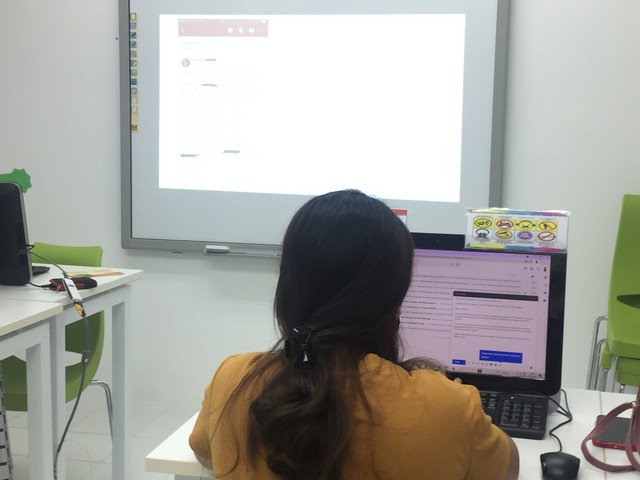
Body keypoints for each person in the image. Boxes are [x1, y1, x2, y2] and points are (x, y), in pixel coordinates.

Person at [189, 189, 519, 480]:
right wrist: (450, 399)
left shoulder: (233, 378)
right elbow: (507, 469)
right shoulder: (446, 406)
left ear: (289, 285)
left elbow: (205, 453)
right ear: (394, 298)